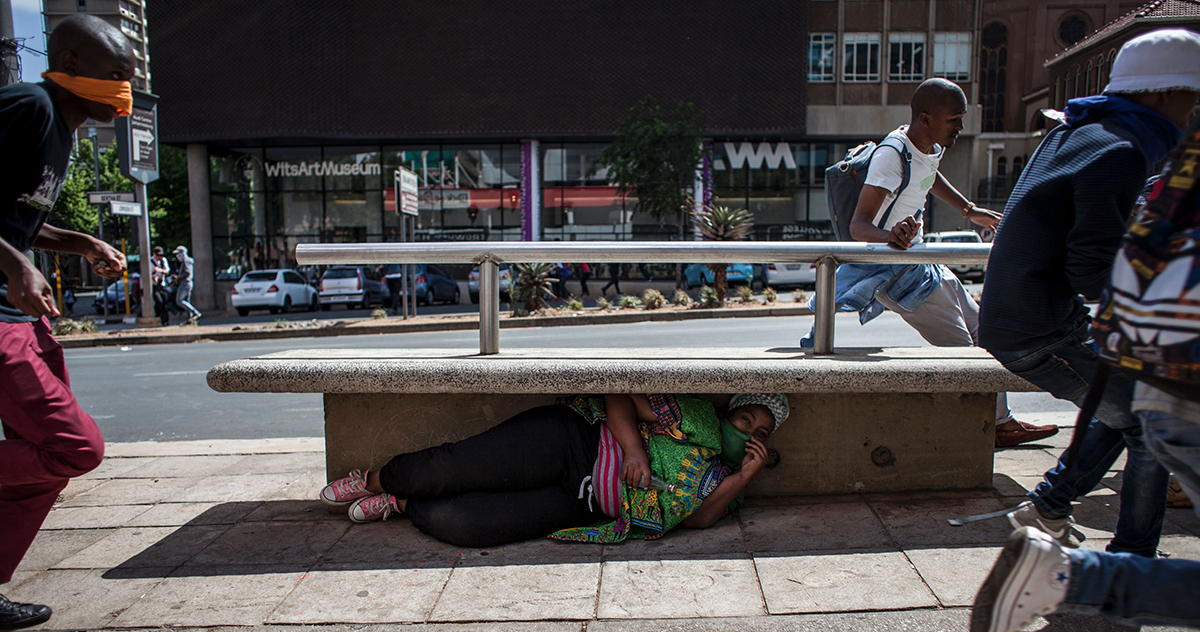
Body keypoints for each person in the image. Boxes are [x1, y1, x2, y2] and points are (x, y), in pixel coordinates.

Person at [979, 29, 1200, 558]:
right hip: (1041, 329)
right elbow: (1091, 270)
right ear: (1166, 94)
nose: (1192, 114)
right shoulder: (1124, 152)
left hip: (1026, 317)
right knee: (1150, 423)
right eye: (1192, 100)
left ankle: (1050, 505)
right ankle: (1131, 558)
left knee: (1122, 408)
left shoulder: (1078, 130)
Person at [803, 78, 1057, 448]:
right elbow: (859, 226)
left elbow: (928, 175)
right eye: (954, 119)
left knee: (985, 332)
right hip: (900, 274)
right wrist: (889, 237)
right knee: (965, 356)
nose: (960, 128)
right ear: (925, 118)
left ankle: (1000, 422)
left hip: (923, 262)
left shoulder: (927, 146)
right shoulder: (892, 156)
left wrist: (970, 211)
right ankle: (983, 429)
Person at [0, 14, 133, 631]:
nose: (124, 89)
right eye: (113, 75)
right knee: (74, 446)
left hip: (21, 317)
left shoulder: (65, 133)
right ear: (69, 66)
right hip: (2, 316)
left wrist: (76, 242)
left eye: (131, 76)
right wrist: (16, 264)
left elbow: (16, 219)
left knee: (43, 460)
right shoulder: (28, 107)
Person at [318, 393, 789, 547]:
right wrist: (633, 452)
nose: (750, 432)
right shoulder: (699, 419)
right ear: (730, 412)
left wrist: (744, 476)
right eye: (746, 418)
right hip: (576, 441)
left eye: (761, 433)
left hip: (582, 502)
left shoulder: (731, 485)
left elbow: (698, 519)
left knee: (465, 525)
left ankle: (401, 502)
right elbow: (619, 395)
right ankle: (375, 480)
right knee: (459, 465)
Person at [172, 245, 201, 323]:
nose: (177, 256)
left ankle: (195, 312)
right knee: (186, 301)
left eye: (178, 253)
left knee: (180, 300)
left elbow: (187, 273)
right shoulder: (187, 261)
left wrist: (178, 277)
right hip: (187, 283)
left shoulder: (186, 260)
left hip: (185, 283)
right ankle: (190, 319)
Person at [149, 244, 170, 325]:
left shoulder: (163, 260)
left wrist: (159, 270)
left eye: (161, 255)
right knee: (159, 302)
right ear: (154, 254)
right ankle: (159, 318)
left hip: (162, 284)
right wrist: (153, 276)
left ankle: (165, 321)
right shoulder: (150, 261)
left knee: (165, 302)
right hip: (154, 285)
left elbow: (167, 271)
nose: (160, 257)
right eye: (158, 255)